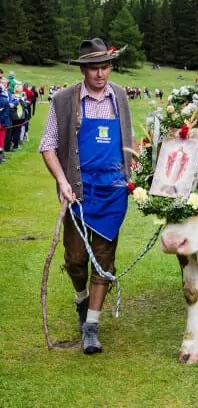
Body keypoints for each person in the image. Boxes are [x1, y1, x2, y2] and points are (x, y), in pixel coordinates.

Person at [39, 38, 134, 355]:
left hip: (114, 193)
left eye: (105, 67)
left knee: (104, 259)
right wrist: (63, 182)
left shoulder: (119, 96)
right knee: (76, 259)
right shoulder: (64, 100)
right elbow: (48, 145)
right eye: (94, 68)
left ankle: (91, 326)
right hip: (78, 193)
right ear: (84, 69)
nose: (100, 74)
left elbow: (127, 138)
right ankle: (81, 299)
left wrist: (134, 164)